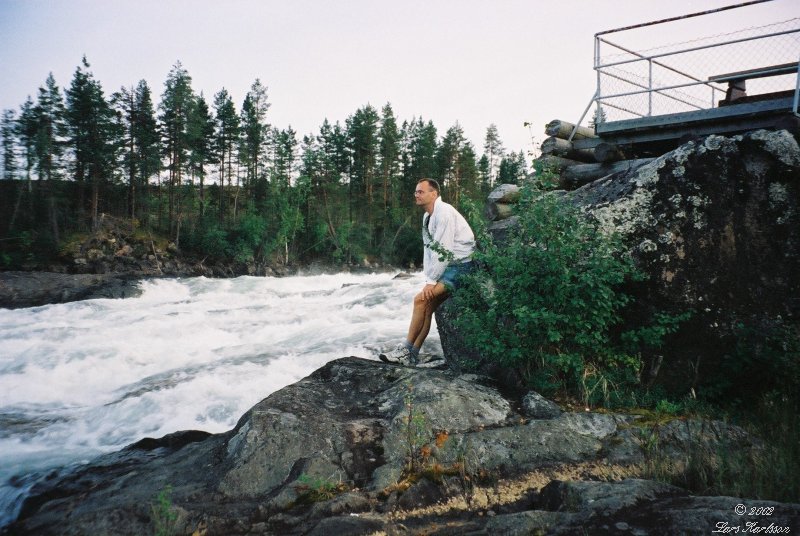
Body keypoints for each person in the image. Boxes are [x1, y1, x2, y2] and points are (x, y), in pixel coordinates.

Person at [379, 178, 475, 366]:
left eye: (420, 191)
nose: (416, 195)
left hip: (460, 266)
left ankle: (406, 350)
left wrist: (432, 282)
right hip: (448, 266)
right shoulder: (427, 216)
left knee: (420, 300)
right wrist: (428, 278)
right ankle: (412, 354)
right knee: (427, 306)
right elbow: (429, 250)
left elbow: (444, 250)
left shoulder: (444, 213)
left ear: (434, 194)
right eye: (416, 191)